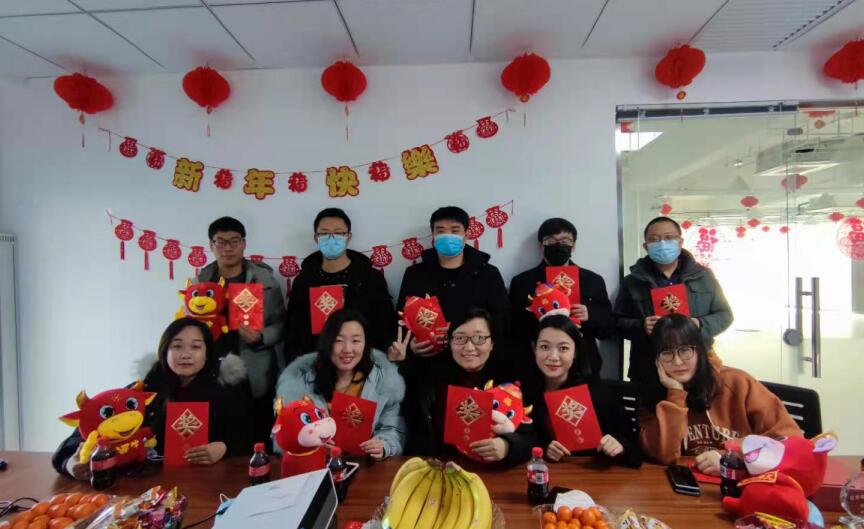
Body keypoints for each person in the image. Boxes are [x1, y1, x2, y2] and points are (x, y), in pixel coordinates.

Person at [53, 318, 253, 480]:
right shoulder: (139, 393)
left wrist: (224, 448)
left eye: (195, 347)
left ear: (207, 353)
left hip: (207, 480)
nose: (186, 354)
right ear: (164, 352)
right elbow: (83, 434)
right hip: (146, 483)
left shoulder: (227, 391)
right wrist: (69, 463)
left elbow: (251, 438)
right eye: (177, 346)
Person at [638, 315, 801, 475]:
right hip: (687, 483)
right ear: (656, 359)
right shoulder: (653, 394)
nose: (678, 362)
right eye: (667, 353)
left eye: (685, 350)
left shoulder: (738, 383)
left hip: (742, 482)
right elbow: (664, 456)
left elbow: (790, 439)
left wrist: (730, 457)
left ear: (699, 350)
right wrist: (675, 394)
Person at [392, 308, 534, 464]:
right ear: (450, 342)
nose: (469, 347)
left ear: (492, 343)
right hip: (438, 466)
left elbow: (530, 437)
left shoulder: (508, 384)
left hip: (488, 469)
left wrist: (507, 445)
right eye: (460, 338)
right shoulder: (430, 379)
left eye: (479, 338)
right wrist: (399, 363)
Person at [196, 216, 285, 449]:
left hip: (254, 370)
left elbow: (281, 325)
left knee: (257, 439)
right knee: (219, 436)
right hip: (213, 370)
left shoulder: (265, 281)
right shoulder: (201, 282)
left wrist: (261, 336)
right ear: (211, 245)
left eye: (234, 241)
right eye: (220, 242)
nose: (228, 248)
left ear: (244, 243)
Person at [276, 309, 406, 460]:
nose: (347, 349)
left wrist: (383, 445)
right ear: (327, 343)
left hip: (365, 465)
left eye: (355, 341)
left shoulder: (383, 383)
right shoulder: (299, 384)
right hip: (318, 466)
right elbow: (282, 436)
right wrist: (312, 446)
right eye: (338, 340)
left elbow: (393, 429)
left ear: (365, 344)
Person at [614, 216, 733, 381]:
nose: (662, 244)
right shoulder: (632, 281)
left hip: (696, 365)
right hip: (649, 368)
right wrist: (641, 326)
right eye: (654, 239)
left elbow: (725, 315)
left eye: (669, 238)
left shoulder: (703, 276)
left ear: (680, 242)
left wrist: (698, 324)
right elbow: (616, 323)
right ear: (646, 246)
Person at [523, 315, 642, 468]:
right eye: (545, 347)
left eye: (563, 348)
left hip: (593, 475)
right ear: (534, 348)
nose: (553, 357)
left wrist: (620, 447)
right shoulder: (523, 392)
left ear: (575, 352)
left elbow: (635, 450)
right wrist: (545, 450)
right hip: (546, 474)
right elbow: (523, 443)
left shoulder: (597, 392)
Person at [394, 206, 510, 359]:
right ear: (433, 235)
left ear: (466, 235)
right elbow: (402, 319)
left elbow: (501, 321)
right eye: (441, 231)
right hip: (429, 361)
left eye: (455, 231)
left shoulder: (488, 274)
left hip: (474, 359)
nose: (448, 236)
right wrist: (410, 347)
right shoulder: (415, 274)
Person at [283, 208, 397, 363]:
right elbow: (293, 332)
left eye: (338, 233)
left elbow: (385, 326)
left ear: (348, 237)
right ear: (316, 238)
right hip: (316, 366)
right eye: (324, 233)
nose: (331, 238)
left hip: (363, 365)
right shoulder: (304, 281)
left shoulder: (370, 277)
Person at [509, 218, 614, 373]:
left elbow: (607, 329)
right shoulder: (522, 282)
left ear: (574, 245)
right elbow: (513, 330)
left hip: (583, 364)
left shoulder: (592, 280)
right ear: (541, 245)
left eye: (565, 241)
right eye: (550, 241)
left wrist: (589, 316)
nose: (558, 246)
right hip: (535, 366)